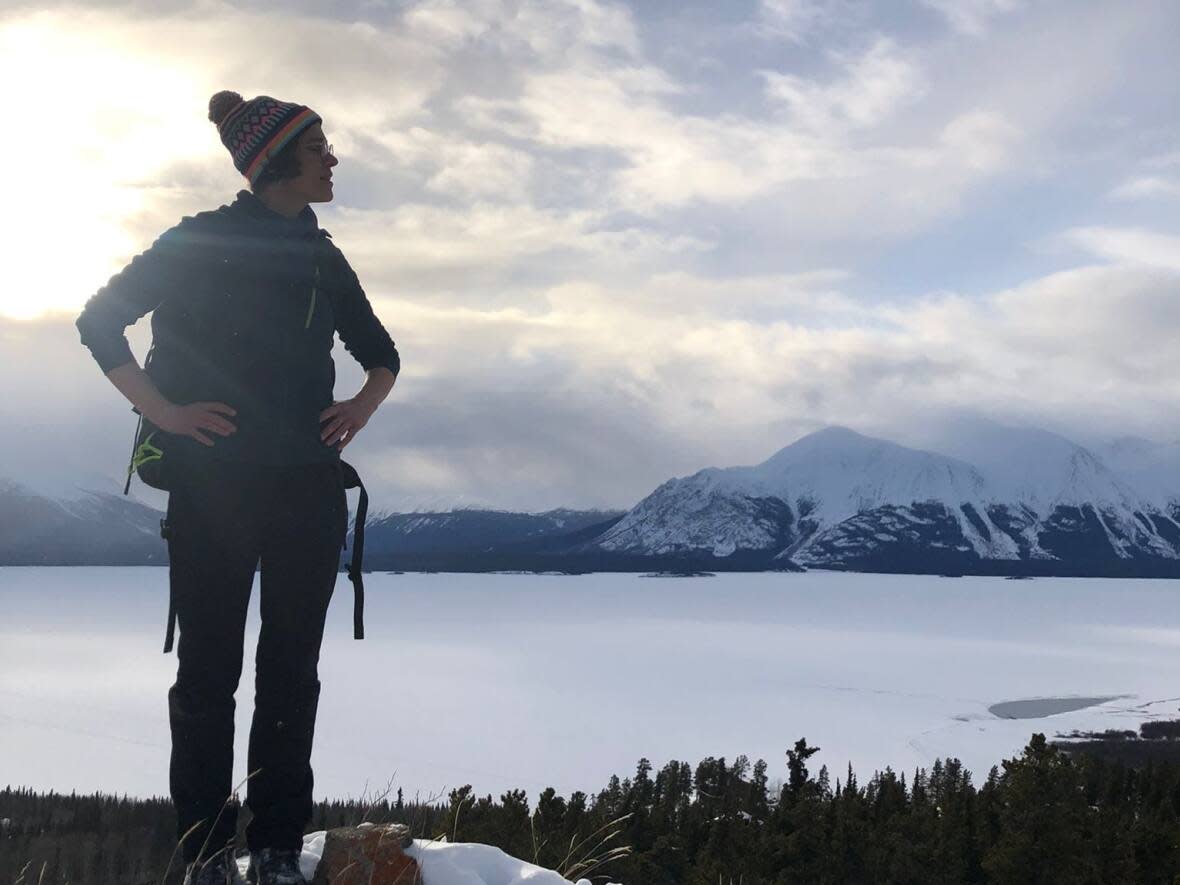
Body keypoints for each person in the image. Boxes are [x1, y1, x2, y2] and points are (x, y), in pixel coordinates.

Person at [76, 91, 400, 885]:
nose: (333, 157)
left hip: (305, 494)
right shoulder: (197, 239)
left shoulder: (323, 255)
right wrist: (163, 411)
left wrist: (357, 408)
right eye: (320, 145)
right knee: (209, 676)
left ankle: (279, 849)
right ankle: (208, 855)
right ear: (276, 159)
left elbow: (381, 351)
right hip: (212, 492)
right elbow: (98, 319)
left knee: (291, 672)